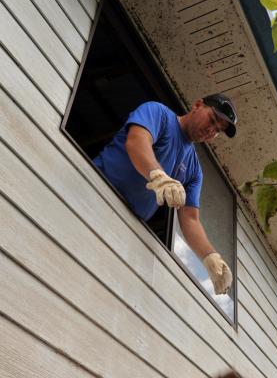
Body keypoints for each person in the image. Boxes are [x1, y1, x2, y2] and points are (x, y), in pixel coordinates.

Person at [93, 94, 237, 295]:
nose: (211, 130)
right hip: (94, 189)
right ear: (197, 105)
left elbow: (190, 218)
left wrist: (210, 257)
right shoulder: (158, 113)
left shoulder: (195, 171)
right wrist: (158, 175)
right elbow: (136, 141)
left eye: (218, 130)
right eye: (212, 120)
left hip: (124, 224)